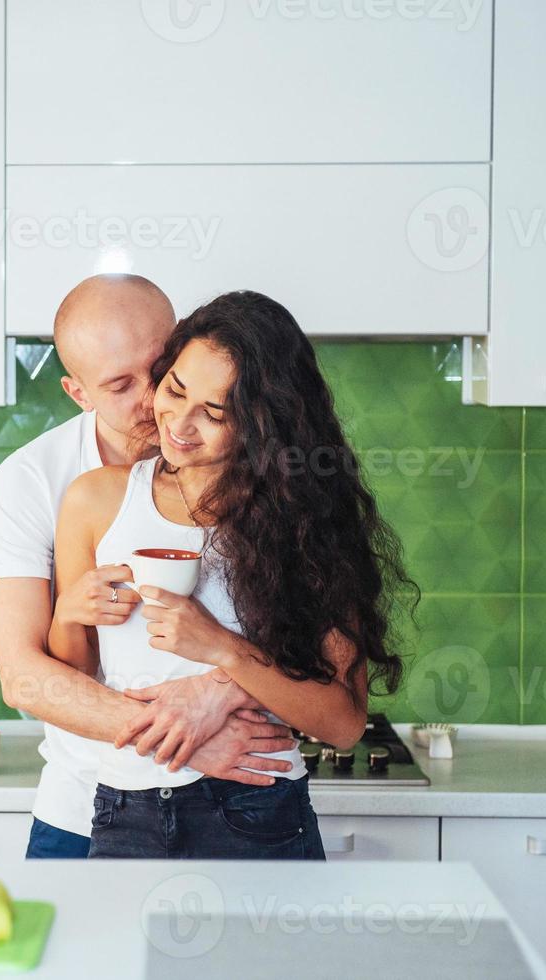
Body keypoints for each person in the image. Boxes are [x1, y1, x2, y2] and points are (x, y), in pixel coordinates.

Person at [47, 289, 414, 860]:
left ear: (265, 423)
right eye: (174, 389)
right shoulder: (94, 501)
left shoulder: (306, 521)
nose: (180, 424)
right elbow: (77, 674)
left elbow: (343, 725)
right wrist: (68, 611)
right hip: (126, 809)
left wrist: (225, 654)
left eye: (214, 413)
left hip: (259, 808)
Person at [0, 275, 298, 860]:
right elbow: (25, 676)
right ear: (78, 393)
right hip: (84, 805)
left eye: (160, 369)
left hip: (240, 798)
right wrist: (183, 742)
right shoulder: (33, 480)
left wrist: (214, 692)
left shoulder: (257, 465)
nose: (153, 399)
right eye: (119, 385)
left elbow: (301, 636)